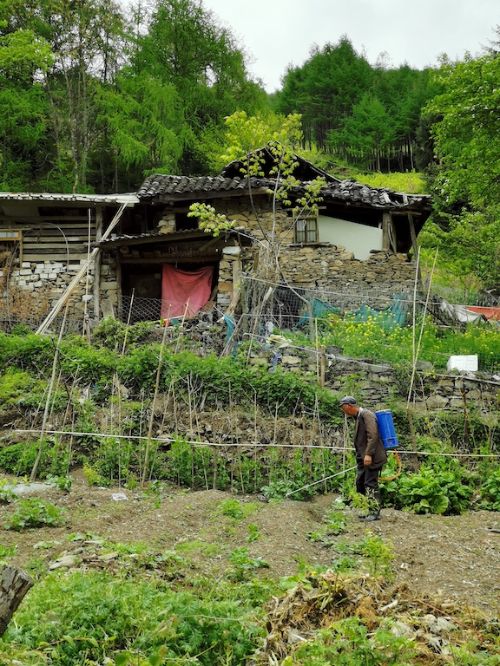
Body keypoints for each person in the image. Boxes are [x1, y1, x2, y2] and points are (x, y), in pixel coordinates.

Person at [339, 396, 387, 521]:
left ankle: (374, 512)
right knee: (360, 483)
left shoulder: (367, 415)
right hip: (363, 458)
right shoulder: (359, 417)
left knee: (370, 484)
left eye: (343, 408)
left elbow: (373, 434)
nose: (344, 412)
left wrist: (368, 454)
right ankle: (369, 508)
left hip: (372, 457)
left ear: (349, 406)